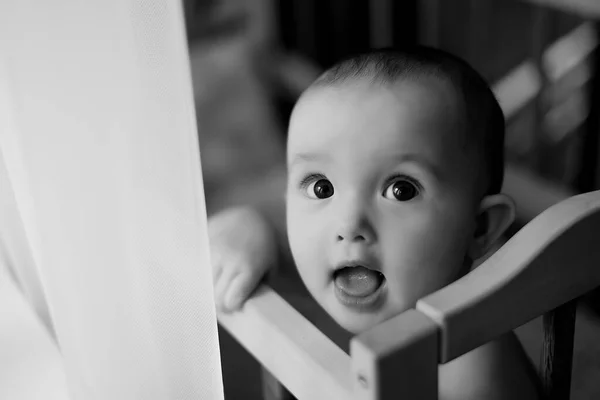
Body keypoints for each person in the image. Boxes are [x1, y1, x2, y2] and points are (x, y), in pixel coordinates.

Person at [208, 46, 540, 399]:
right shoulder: (329, 269)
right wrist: (245, 224)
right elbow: (228, 246)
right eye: (322, 188)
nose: (349, 224)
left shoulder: (471, 362)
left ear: (480, 227)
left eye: (400, 190)